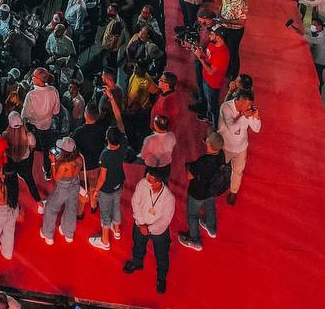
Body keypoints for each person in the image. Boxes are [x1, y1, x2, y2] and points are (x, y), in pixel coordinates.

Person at [122, 166, 173, 294]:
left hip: (158, 232)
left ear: (159, 182)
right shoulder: (143, 183)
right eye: (147, 177)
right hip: (140, 225)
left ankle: (161, 278)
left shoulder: (169, 197)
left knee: (161, 255)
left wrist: (148, 228)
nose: (147, 180)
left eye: (150, 180)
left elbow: (165, 220)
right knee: (138, 245)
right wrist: (141, 223)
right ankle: (137, 262)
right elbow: (135, 201)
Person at [176, 132, 226, 251]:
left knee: (193, 215)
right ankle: (211, 228)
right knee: (210, 207)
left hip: (197, 193)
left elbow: (189, 176)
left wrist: (189, 167)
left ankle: (195, 240)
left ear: (209, 145)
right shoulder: (221, 155)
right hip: (212, 189)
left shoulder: (203, 161)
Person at [217, 90, 261, 205]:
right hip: (226, 146)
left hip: (241, 147)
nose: (249, 107)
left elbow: (257, 129)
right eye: (247, 104)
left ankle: (233, 192)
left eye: (250, 105)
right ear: (239, 101)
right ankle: (215, 188)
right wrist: (243, 117)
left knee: (238, 171)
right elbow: (232, 129)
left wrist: (256, 117)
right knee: (219, 168)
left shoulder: (247, 110)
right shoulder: (226, 108)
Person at [89, 126, 129, 250]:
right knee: (116, 206)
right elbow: (120, 121)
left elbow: (102, 177)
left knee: (105, 214)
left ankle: (105, 241)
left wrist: (96, 191)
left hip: (106, 189)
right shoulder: (123, 144)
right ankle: (116, 231)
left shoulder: (105, 155)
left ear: (107, 139)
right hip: (119, 182)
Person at [40, 136, 85, 245]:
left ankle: (48, 235)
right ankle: (68, 233)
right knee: (71, 209)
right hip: (75, 186)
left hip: (63, 188)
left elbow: (56, 178)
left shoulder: (64, 165)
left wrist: (53, 162)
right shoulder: (79, 159)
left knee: (51, 208)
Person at [289, 16, 325, 89]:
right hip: (323, 58)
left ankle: (319, 87)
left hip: (320, 61)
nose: (312, 26)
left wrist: (300, 33)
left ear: (319, 26)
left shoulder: (322, 38)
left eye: (314, 25)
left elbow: (310, 39)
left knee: (318, 74)